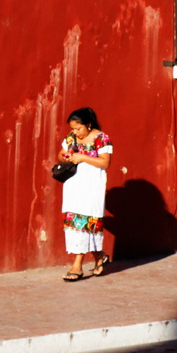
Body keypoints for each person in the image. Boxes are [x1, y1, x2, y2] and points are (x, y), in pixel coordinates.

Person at [58, 107, 113, 281]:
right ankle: (99, 257)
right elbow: (61, 153)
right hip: (73, 187)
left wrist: (82, 157)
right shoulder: (72, 137)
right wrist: (66, 155)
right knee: (75, 222)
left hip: (92, 188)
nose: (75, 132)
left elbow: (105, 162)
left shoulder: (102, 139)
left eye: (78, 128)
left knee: (86, 222)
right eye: (73, 129)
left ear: (88, 125)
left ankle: (77, 266)